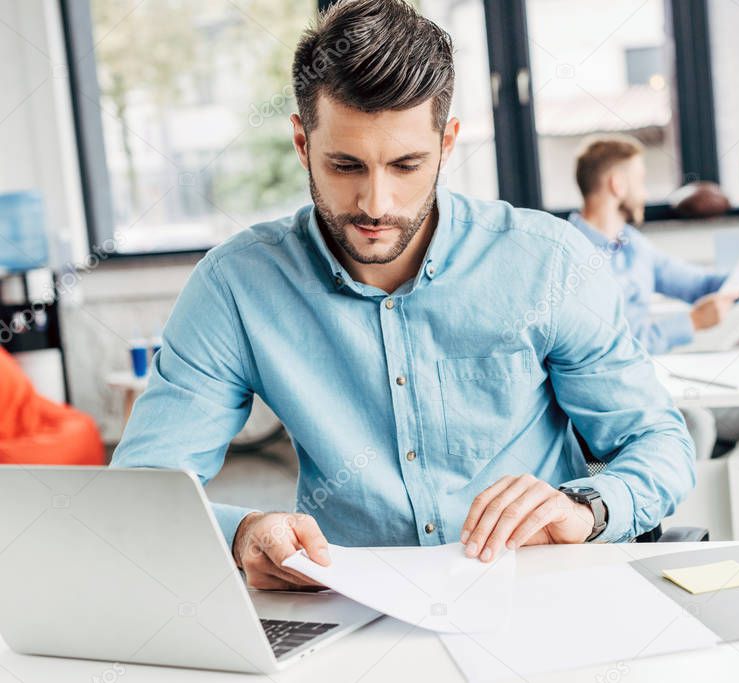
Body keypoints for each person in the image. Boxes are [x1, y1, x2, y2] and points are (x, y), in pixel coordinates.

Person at [111, 0, 695, 590]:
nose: (375, 204)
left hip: (537, 594)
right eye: (344, 165)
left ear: (447, 145)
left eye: (406, 164)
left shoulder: (545, 261)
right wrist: (240, 535)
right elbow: (142, 490)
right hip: (351, 610)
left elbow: (657, 443)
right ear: (300, 142)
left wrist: (585, 509)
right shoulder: (236, 286)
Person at [567, 135, 738, 354]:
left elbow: (699, 285)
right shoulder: (571, 254)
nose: (645, 194)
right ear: (617, 184)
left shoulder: (633, 243)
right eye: (640, 181)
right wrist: (692, 321)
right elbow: (612, 347)